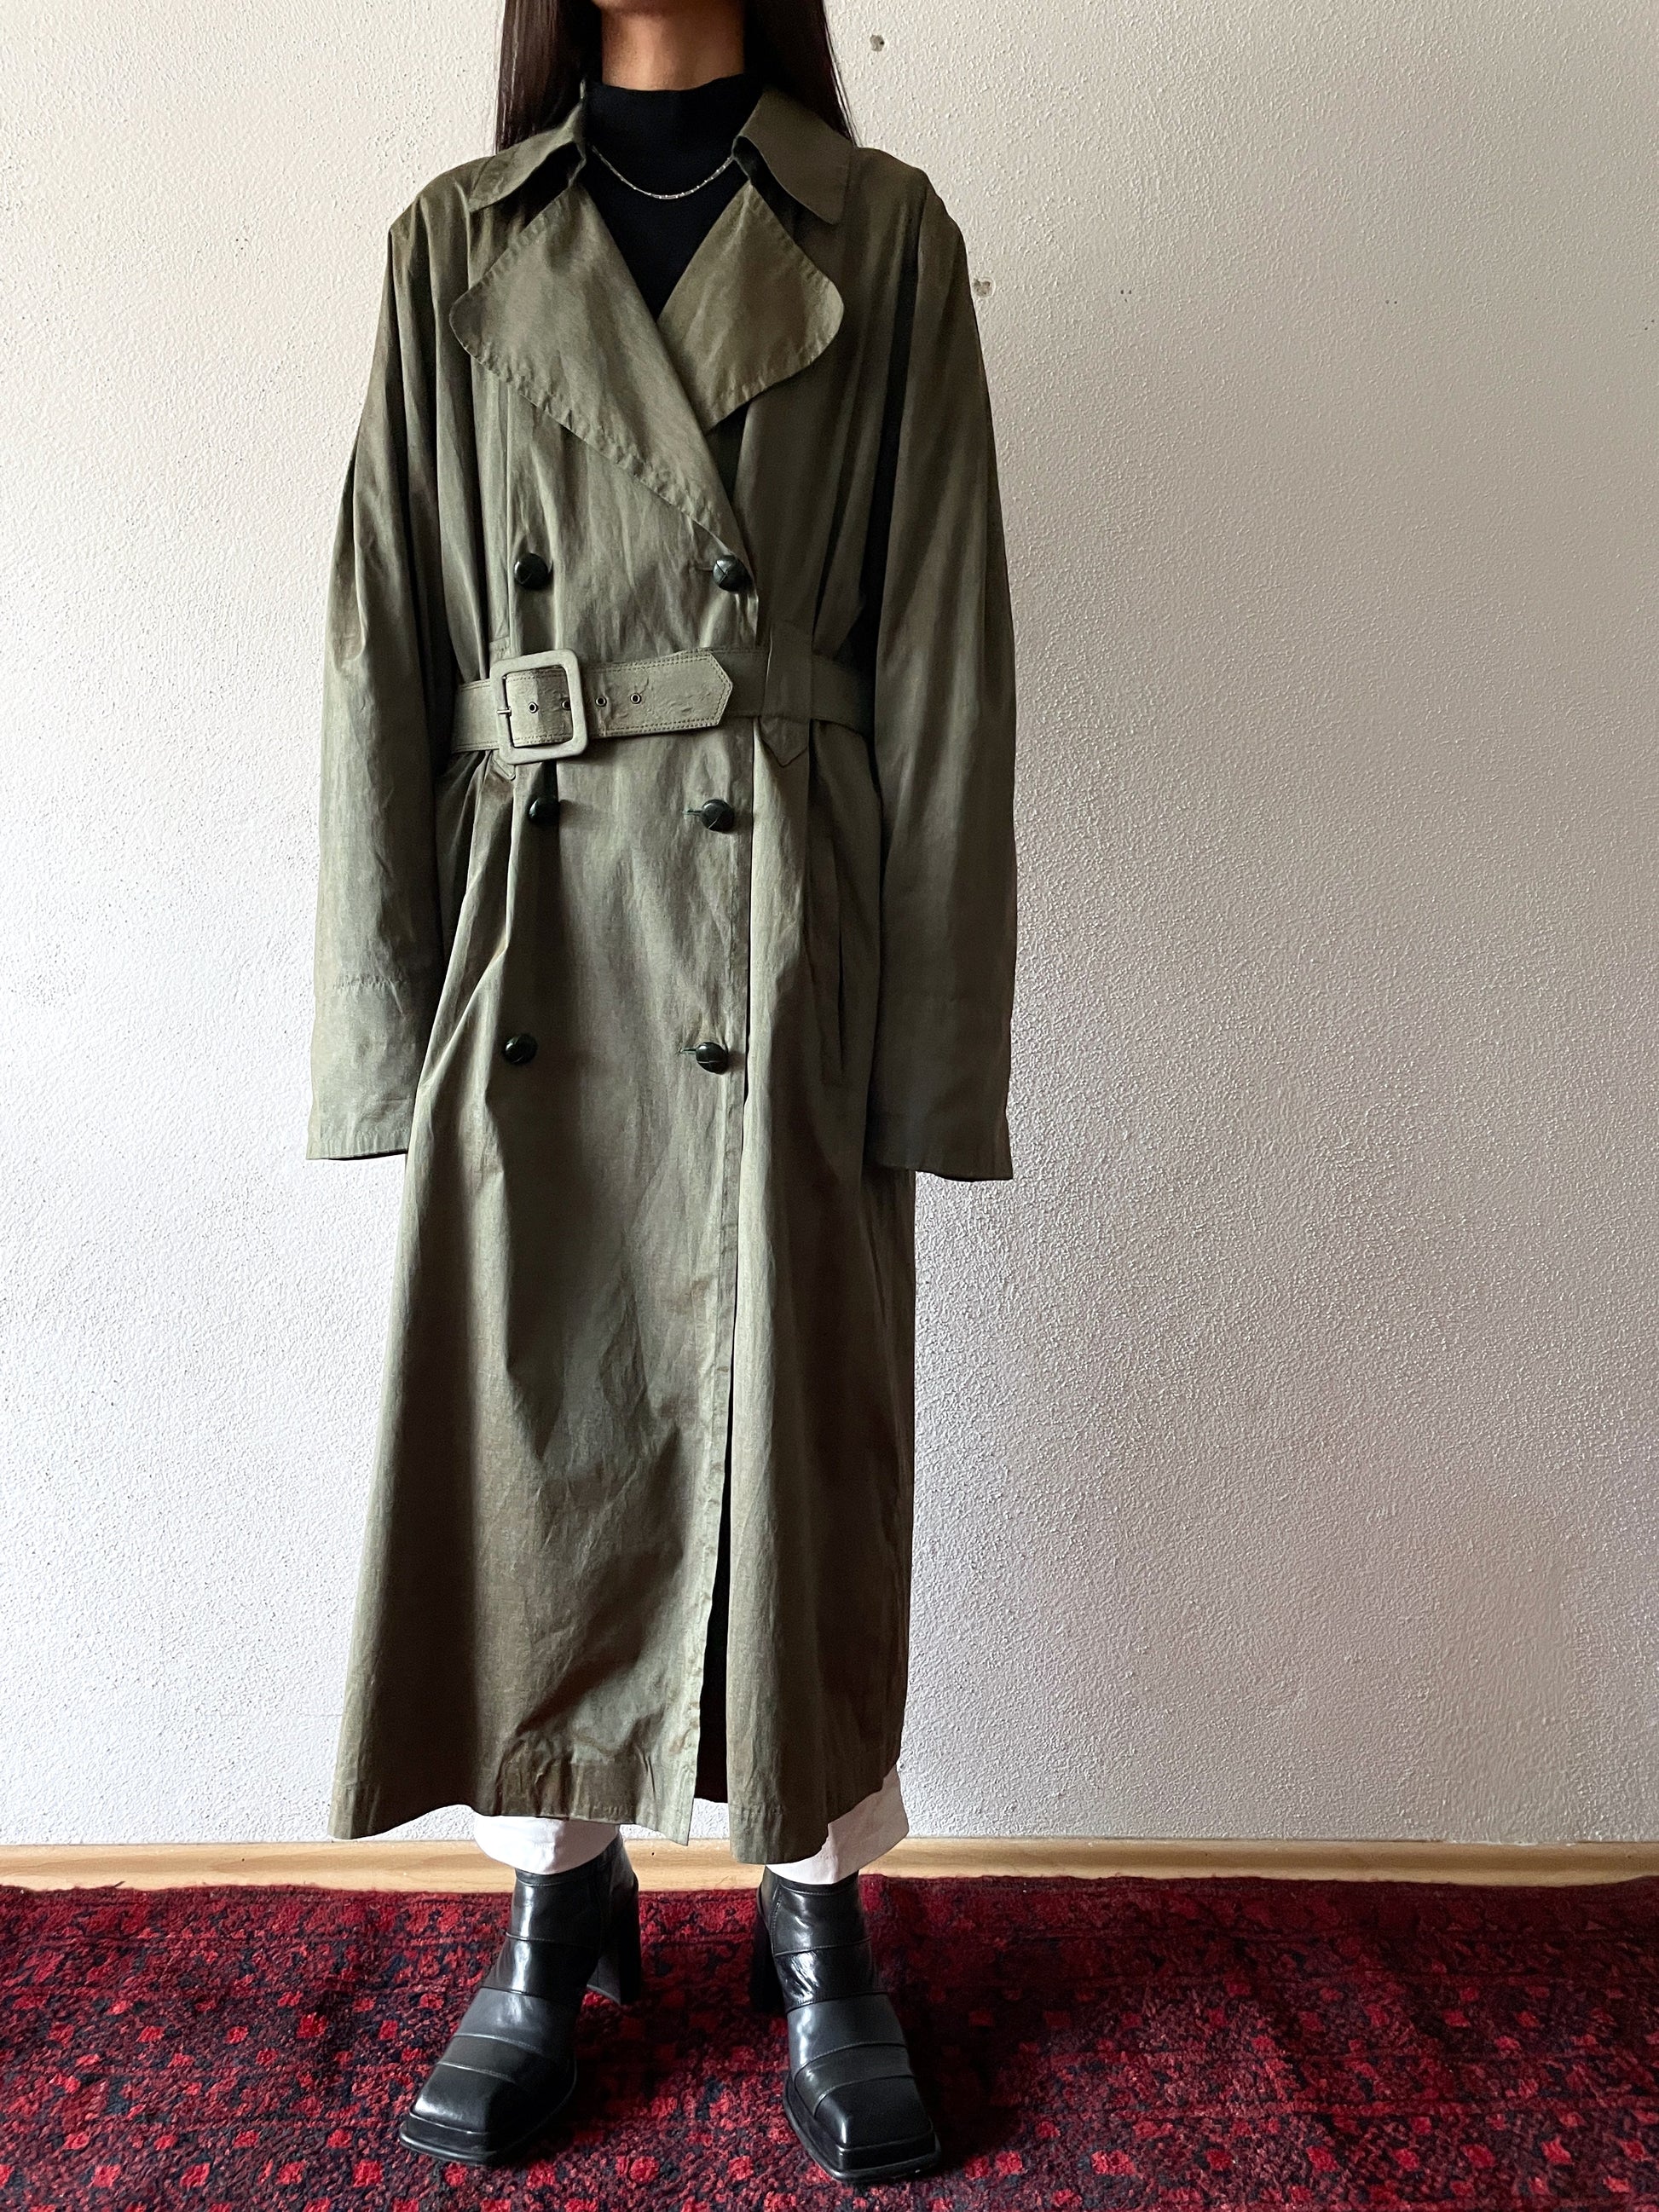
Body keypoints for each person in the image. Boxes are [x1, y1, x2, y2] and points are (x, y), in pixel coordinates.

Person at [307, 0, 1017, 2182]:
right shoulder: (454, 243)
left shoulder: (883, 233)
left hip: (785, 932)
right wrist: (382, 1021)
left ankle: (819, 1912)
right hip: (534, 925)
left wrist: (930, 1053)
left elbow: (947, 664)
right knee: (537, 1430)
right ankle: (557, 1893)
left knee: (803, 1425)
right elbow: (381, 644)